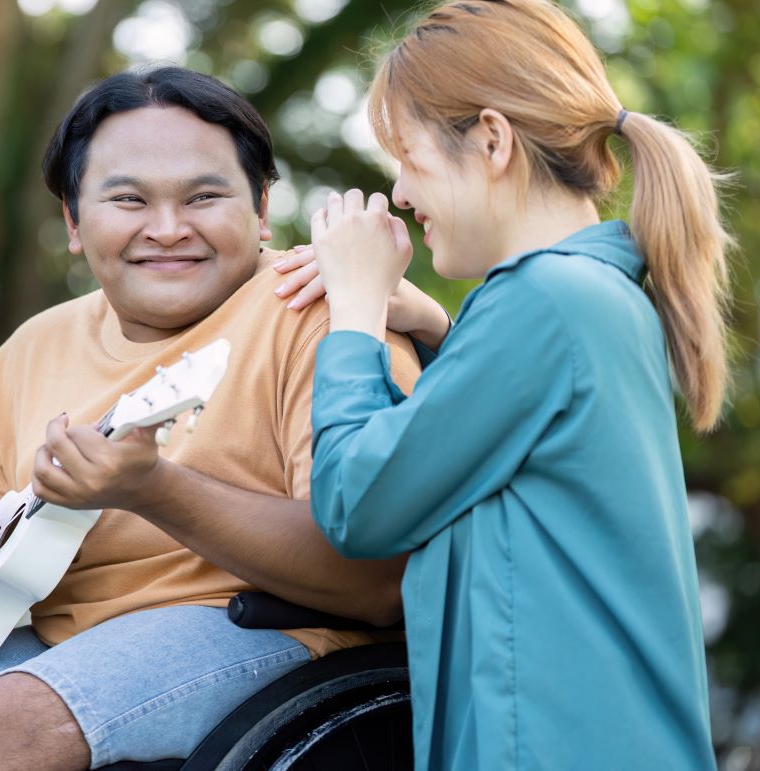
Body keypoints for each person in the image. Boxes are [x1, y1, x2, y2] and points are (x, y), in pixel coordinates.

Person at [0, 67, 425, 770]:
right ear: (75, 222)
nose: (167, 229)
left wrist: (153, 487)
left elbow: (374, 577)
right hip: (61, 643)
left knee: (12, 720)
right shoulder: (31, 348)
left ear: (261, 207)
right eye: (128, 199)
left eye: (204, 195)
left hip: (276, 629)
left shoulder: (321, 306)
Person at [286, 0, 731, 768]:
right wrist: (439, 330)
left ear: (491, 140)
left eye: (409, 157)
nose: (397, 192)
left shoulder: (543, 304)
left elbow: (358, 503)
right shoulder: (592, 294)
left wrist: (354, 312)